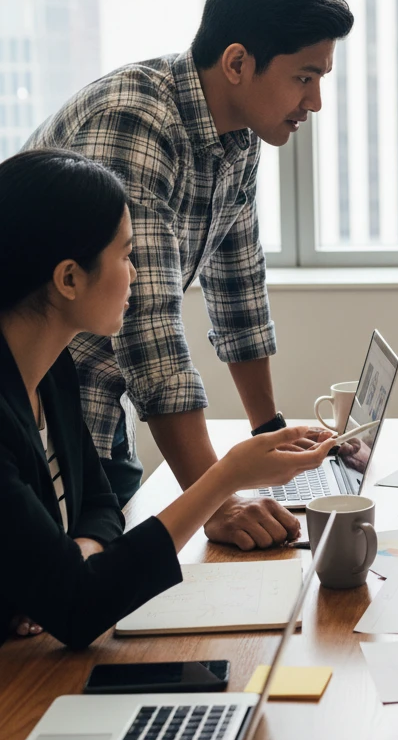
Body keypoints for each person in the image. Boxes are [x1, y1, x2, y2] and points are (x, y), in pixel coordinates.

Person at [24, 0, 352, 550]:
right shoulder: (135, 124)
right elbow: (150, 337)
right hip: (35, 424)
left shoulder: (240, 133)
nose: (317, 101)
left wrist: (270, 432)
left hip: (96, 412)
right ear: (237, 63)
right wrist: (218, 502)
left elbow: (239, 292)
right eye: (305, 77)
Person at [0, 150, 337, 648]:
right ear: (69, 278)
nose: (134, 272)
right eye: (125, 255)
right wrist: (224, 479)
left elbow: (99, 503)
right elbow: (76, 608)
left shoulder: (53, 372)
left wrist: (81, 553)